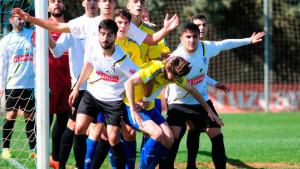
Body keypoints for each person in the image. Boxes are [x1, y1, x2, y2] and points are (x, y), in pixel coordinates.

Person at [159, 22, 265, 169]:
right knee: (173, 139)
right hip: (178, 103)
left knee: (216, 135)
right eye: (188, 37)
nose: (192, 40)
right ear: (181, 39)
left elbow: (224, 44)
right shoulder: (176, 58)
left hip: (200, 100)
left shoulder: (205, 47)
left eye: (195, 37)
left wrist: (249, 40)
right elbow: (164, 79)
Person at [124, 56, 224, 169]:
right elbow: (129, 83)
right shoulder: (154, 68)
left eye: (178, 77)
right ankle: (144, 167)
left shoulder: (175, 75)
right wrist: (132, 108)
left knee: (169, 140)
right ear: (166, 69)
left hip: (149, 108)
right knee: (157, 134)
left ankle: (150, 166)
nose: (175, 79)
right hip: (131, 107)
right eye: (174, 77)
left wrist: (209, 111)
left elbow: (192, 90)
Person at [68, 19, 140, 169]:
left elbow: (139, 77)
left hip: (113, 100)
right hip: (92, 95)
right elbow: (88, 65)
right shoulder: (94, 47)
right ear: (98, 35)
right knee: (79, 128)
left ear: (114, 37)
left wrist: (142, 99)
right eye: (102, 34)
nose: (105, 38)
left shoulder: (121, 59)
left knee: (113, 138)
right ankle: (80, 167)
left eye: (109, 35)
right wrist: (76, 88)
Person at [48, 1, 99, 168]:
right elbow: (56, 51)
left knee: (106, 132)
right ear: (83, 2)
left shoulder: (106, 24)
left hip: (104, 87)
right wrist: (46, 34)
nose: (92, 3)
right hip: (82, 88)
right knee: (74, 126)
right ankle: (61, 165)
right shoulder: (75, 25)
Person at [39, 1, 71, 168]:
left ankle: (56, 158)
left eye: (59, 1)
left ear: (64, 6)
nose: (57, 4)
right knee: (46, 120)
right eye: (52, 1)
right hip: (49, 82)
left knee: (64, 122)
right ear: (47, 7)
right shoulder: (43, 26)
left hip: (68, 83)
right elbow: (37, 55)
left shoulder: (71, 26)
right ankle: (41, 155)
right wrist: (39, 80)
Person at [0, 16, 36, 158]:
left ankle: (34, 150)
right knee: (11, 115)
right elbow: (2, 66)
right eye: (17, 19)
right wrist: (1, 86)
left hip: (30, 84)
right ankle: (6, 149)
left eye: (22, 18)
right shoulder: (5, 41)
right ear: (10, 20)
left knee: (30, 117)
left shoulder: (31, 34)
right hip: (13, 84)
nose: (20, 21)